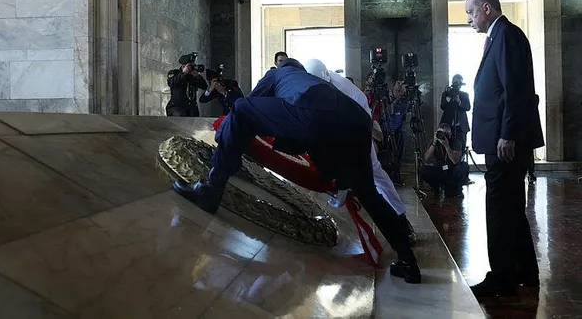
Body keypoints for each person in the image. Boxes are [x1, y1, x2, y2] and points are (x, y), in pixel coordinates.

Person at [173, 58, 421, 283]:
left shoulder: (277, 74)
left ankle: (210, 191)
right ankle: (409, 262)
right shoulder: (313, 81)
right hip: (357, 123)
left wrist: (226, 138)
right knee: (370, 195)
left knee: (240, 110)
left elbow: (249, 105)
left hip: (314, 114)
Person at [465, 0, 543, 297]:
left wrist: (507, 134)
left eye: (471, 12)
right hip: (500, 137)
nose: (469, 19)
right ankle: (526, 271)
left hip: (505, 141)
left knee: (499, 208)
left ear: (486, 8)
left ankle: (501, 278)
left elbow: (515, 89)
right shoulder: (500, 35)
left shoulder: (507, 35)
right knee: (511, 206)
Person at [303, 59, 416, 245]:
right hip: (339, 127)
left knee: (374, 171)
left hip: (358, 124)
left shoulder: (343, 90)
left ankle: (401, 219)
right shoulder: (311, 82)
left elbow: (356, 120)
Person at [422, 123, 467, 198]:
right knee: (424, 170)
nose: (442, 136)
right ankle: (436, 187)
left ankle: (456, 188)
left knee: (464, 167)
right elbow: (426, 158)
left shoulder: (455, 141)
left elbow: (455, 161)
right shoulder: (434, 142)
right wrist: (434, 143)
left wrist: (447, 146)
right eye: (440, 133)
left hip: (452, 169)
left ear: (450, 134)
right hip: (439, 168)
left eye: (445, 134)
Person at [439, 74, 471, 151]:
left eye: (460, 83)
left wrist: (459, 102)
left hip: (461, 127)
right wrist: (449, 96)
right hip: (448, 126)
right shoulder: (446, 94)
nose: (458, 85)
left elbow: (468, 107)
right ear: (452, 82)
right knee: (446, 148)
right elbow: (442, 106)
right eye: (456, 82)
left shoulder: (464, 95)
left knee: (461, 148)